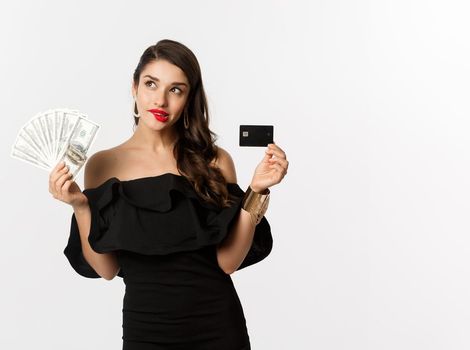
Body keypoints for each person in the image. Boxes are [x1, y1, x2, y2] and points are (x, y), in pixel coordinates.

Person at [48, 39, 289, 349]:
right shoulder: (102, 165)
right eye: (151, 84)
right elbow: (107, 269)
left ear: (188, 98)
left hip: (218, 327)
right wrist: (80, 206)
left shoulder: (214, 161)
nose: (160, 100)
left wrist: (256, 191)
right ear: (134, 88)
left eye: (176, 89)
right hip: (145, 330)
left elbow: (227, 262)